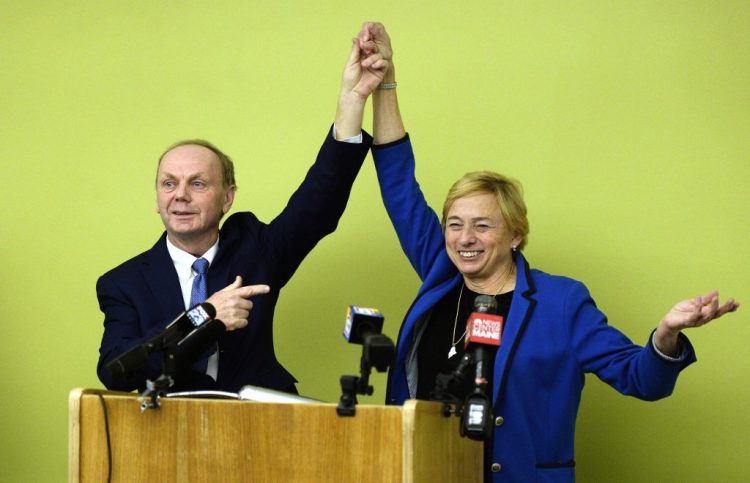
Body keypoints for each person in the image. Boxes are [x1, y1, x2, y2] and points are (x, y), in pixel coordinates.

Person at [356, 22, 740, 482]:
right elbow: (398, 182)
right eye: (454, 225)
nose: (464, 239)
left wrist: (666, 335)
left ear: (516, 235)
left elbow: (641, 379)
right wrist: (385, 82)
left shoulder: (561, 303)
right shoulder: (441, 270)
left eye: (483, 226)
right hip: (426, 472)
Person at [96, 37, 390, 394]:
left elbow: (318, 203)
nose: (181, 195)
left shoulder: (256, 249)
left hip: (258, 425)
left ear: (227, 198)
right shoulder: (123, 283)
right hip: (169, 430)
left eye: (199, 183)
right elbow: (116, 371)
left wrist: (352, 98)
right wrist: (204, 318)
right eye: (169, 184)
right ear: (157, 199)